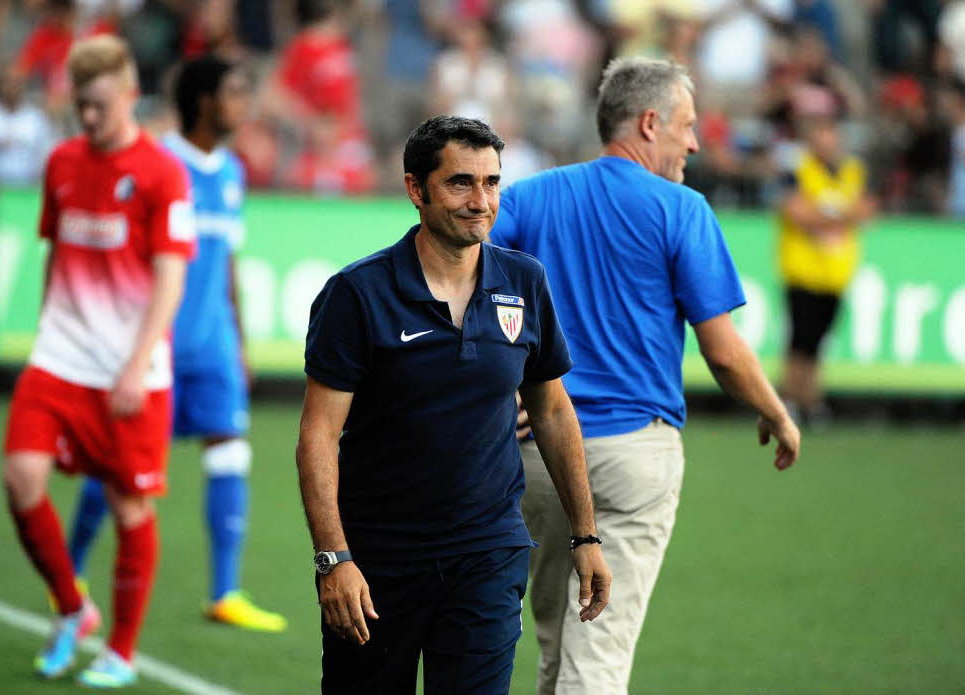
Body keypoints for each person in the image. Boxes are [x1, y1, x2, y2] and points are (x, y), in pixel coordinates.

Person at [488, 56, 801, 695]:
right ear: (650, 123)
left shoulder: (529, 196)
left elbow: (457, 284)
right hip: (633, 451)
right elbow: (722, 352)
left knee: (558, 653)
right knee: (594, 664)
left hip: (539, 455)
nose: (694, 141)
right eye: (687, 126)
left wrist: (501, 391)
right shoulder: (682, 210)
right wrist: (775, 410)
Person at [296, 115, 612, 694]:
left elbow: (552, 410)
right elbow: (317, 436)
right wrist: (332, 559)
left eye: (492, 183)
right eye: (460, 183)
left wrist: (585, 536)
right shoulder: (356, 295)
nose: (480, 201)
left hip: (487, 555)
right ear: (416, 189)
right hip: (377, 565)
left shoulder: (525, 280)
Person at [63, 56, 286, 632]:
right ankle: (70, 572)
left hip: (213, 345)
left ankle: (225, 592)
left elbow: (228, 258)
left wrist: (239, 339)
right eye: (236, 91)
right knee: (118, 464)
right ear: (206, 100)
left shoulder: (232, 170)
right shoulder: (158, 164)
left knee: (232, 450)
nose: (244, 103)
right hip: (154, 342)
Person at [1, 35, 194, 688]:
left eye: (99, 106)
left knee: (128, 506)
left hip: (130, 370)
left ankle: (121, 647)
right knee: (20, 479)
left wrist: (137, 366)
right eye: (79, 106)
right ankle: (71, 604)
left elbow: (170, 278)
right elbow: (56, 254)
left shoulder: (164, 174)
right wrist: (43, 334)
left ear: (130, 93)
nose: (87, 119)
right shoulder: (60, 162)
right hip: (59, 357)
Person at [778, 115, 877, 423]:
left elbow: (868, 209)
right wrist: (839, 217)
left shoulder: (852, 171)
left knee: (818, 343)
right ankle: (791, 399)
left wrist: (822, 215)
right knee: (799, 340)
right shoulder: (798, 169)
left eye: (830, 133)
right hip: (803, 271)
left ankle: (811, 399)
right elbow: (794, 211)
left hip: (835, 275)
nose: (827, 140)